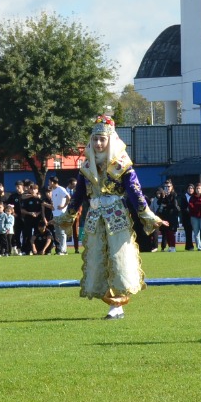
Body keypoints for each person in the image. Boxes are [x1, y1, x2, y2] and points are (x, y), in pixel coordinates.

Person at [56, 116, 167, 318]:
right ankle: (111, 303)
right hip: (95, 219)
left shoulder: (122, 164)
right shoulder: (87, 167)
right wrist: (67, 215)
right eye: (95, 139)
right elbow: (79, 195)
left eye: (102, 139)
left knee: (118, 258)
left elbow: (135, 192)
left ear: (111, 140)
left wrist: (148, 215)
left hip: (117, 219)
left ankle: (117, 305)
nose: (98, 144)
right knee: (98, 258)